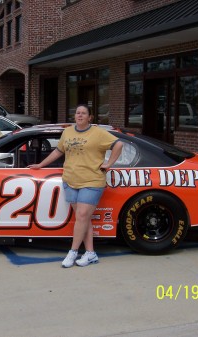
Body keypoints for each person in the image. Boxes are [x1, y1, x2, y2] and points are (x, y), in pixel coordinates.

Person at [28, 104, 123, 268]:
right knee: (83, 219)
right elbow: (58, 151)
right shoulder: (68, 132)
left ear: (90, 117)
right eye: (77, 113)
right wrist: (41, 165)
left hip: (92, 180)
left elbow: (118, 145)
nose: (79, 115)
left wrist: (109, 163)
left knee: (82, 215)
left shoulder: (98, 133)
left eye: (83, 113)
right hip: (70, 180)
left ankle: (72, 252)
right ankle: (91, 253)